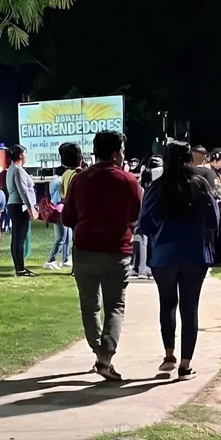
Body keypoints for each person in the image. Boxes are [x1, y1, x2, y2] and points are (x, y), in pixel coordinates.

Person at [61, 131, 142, 381]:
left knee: (89, 304)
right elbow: (136, 215)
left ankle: (97, 349)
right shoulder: (128, 181)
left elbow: (68, 217)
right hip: (116, 250)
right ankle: (105, 358)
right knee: (115, 306)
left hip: (84, 249)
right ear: (117, 153)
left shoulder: (80, 180)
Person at [138, 141, 220, 381]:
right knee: (190, 309)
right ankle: (185, 366)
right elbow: (213, 221)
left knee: (167, 304)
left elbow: (145, 224)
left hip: (163, 254)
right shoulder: (200, 184)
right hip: (194, 253)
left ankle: (169, 355)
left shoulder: (157, 187)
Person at [46, 142, 81, 270]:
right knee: (64, 237)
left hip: (63, 207)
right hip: (63, 208)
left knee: (67, 237)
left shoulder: (63, 177)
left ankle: (66, 259)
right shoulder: (74, 174)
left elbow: (62, 193)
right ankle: (53, 259)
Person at [6, 144, 38, 277]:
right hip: (19, 206)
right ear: (20, 155)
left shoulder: (12, 169)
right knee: (19, 238)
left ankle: (20, 267)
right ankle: (20, 269)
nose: (26, 156)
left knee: (18, 238)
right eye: (25, 154)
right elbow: (23, 191)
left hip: (16, 205)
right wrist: (31, 208)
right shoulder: (17, 170)